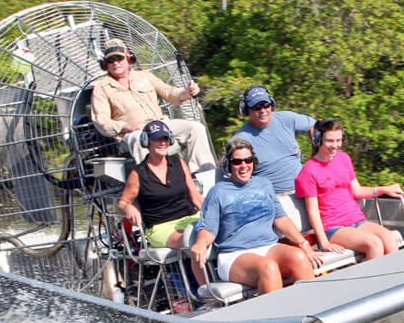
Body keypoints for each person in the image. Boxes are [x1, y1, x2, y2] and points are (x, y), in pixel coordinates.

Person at [191, 138, 322, 295]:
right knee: (268, 267)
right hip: (235, 254)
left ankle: (312, 309)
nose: (244, 165)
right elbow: (208, 228)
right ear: (228, 164)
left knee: (299, 257)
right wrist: (200, 242)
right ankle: (277, 316)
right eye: (237, 162)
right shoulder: (218, 192)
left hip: (268, 246)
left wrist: (303, 244)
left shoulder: (264, 184)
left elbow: (281, 219)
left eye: (248, 160)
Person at [91, 38, 216, 172]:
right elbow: (102, 121)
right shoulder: (101, 88)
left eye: (119, 58)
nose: (116, 63)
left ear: (128, 58)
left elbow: (168, 92)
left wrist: (187, 92)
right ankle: (155, 183)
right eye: (111, 60)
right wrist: (128, 127)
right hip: (134, 133)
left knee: (195, 128)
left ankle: (204, 177)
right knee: (141, 141)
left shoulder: (144, 75)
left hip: (161, 124)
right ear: (105, 64)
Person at [295, 119, 404, 260]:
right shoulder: (309, 170)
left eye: (338, 140)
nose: (335, 146)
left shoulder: (343, 158)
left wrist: (383, 189)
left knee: (389, 238)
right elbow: (313, 211)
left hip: (357, 220)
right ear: (318, 140)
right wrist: (323, 242)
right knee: (374, 244)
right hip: (334, 227)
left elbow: (357, 191)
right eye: (330, 141)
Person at [117, 120, 205, 284]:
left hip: (189, 217)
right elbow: (122, 202)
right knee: (192, 240)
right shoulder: (138, 174)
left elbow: (196, 197)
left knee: (215, 230)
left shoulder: (179, 163)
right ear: (147, 142)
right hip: (160, 226)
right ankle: (207, 292)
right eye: (157, 139)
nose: (162, 143)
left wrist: (213, 213)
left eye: (165, 138)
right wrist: (128, 207)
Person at [232, 85, 316, 194]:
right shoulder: (240, 141)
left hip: (307, 191)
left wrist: (316, 158)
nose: (263, 110)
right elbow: (234, 179)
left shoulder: (286, 119)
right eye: (257, 107)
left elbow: (316, 126)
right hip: (275, 199)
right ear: (246, 110)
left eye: (266, 105)